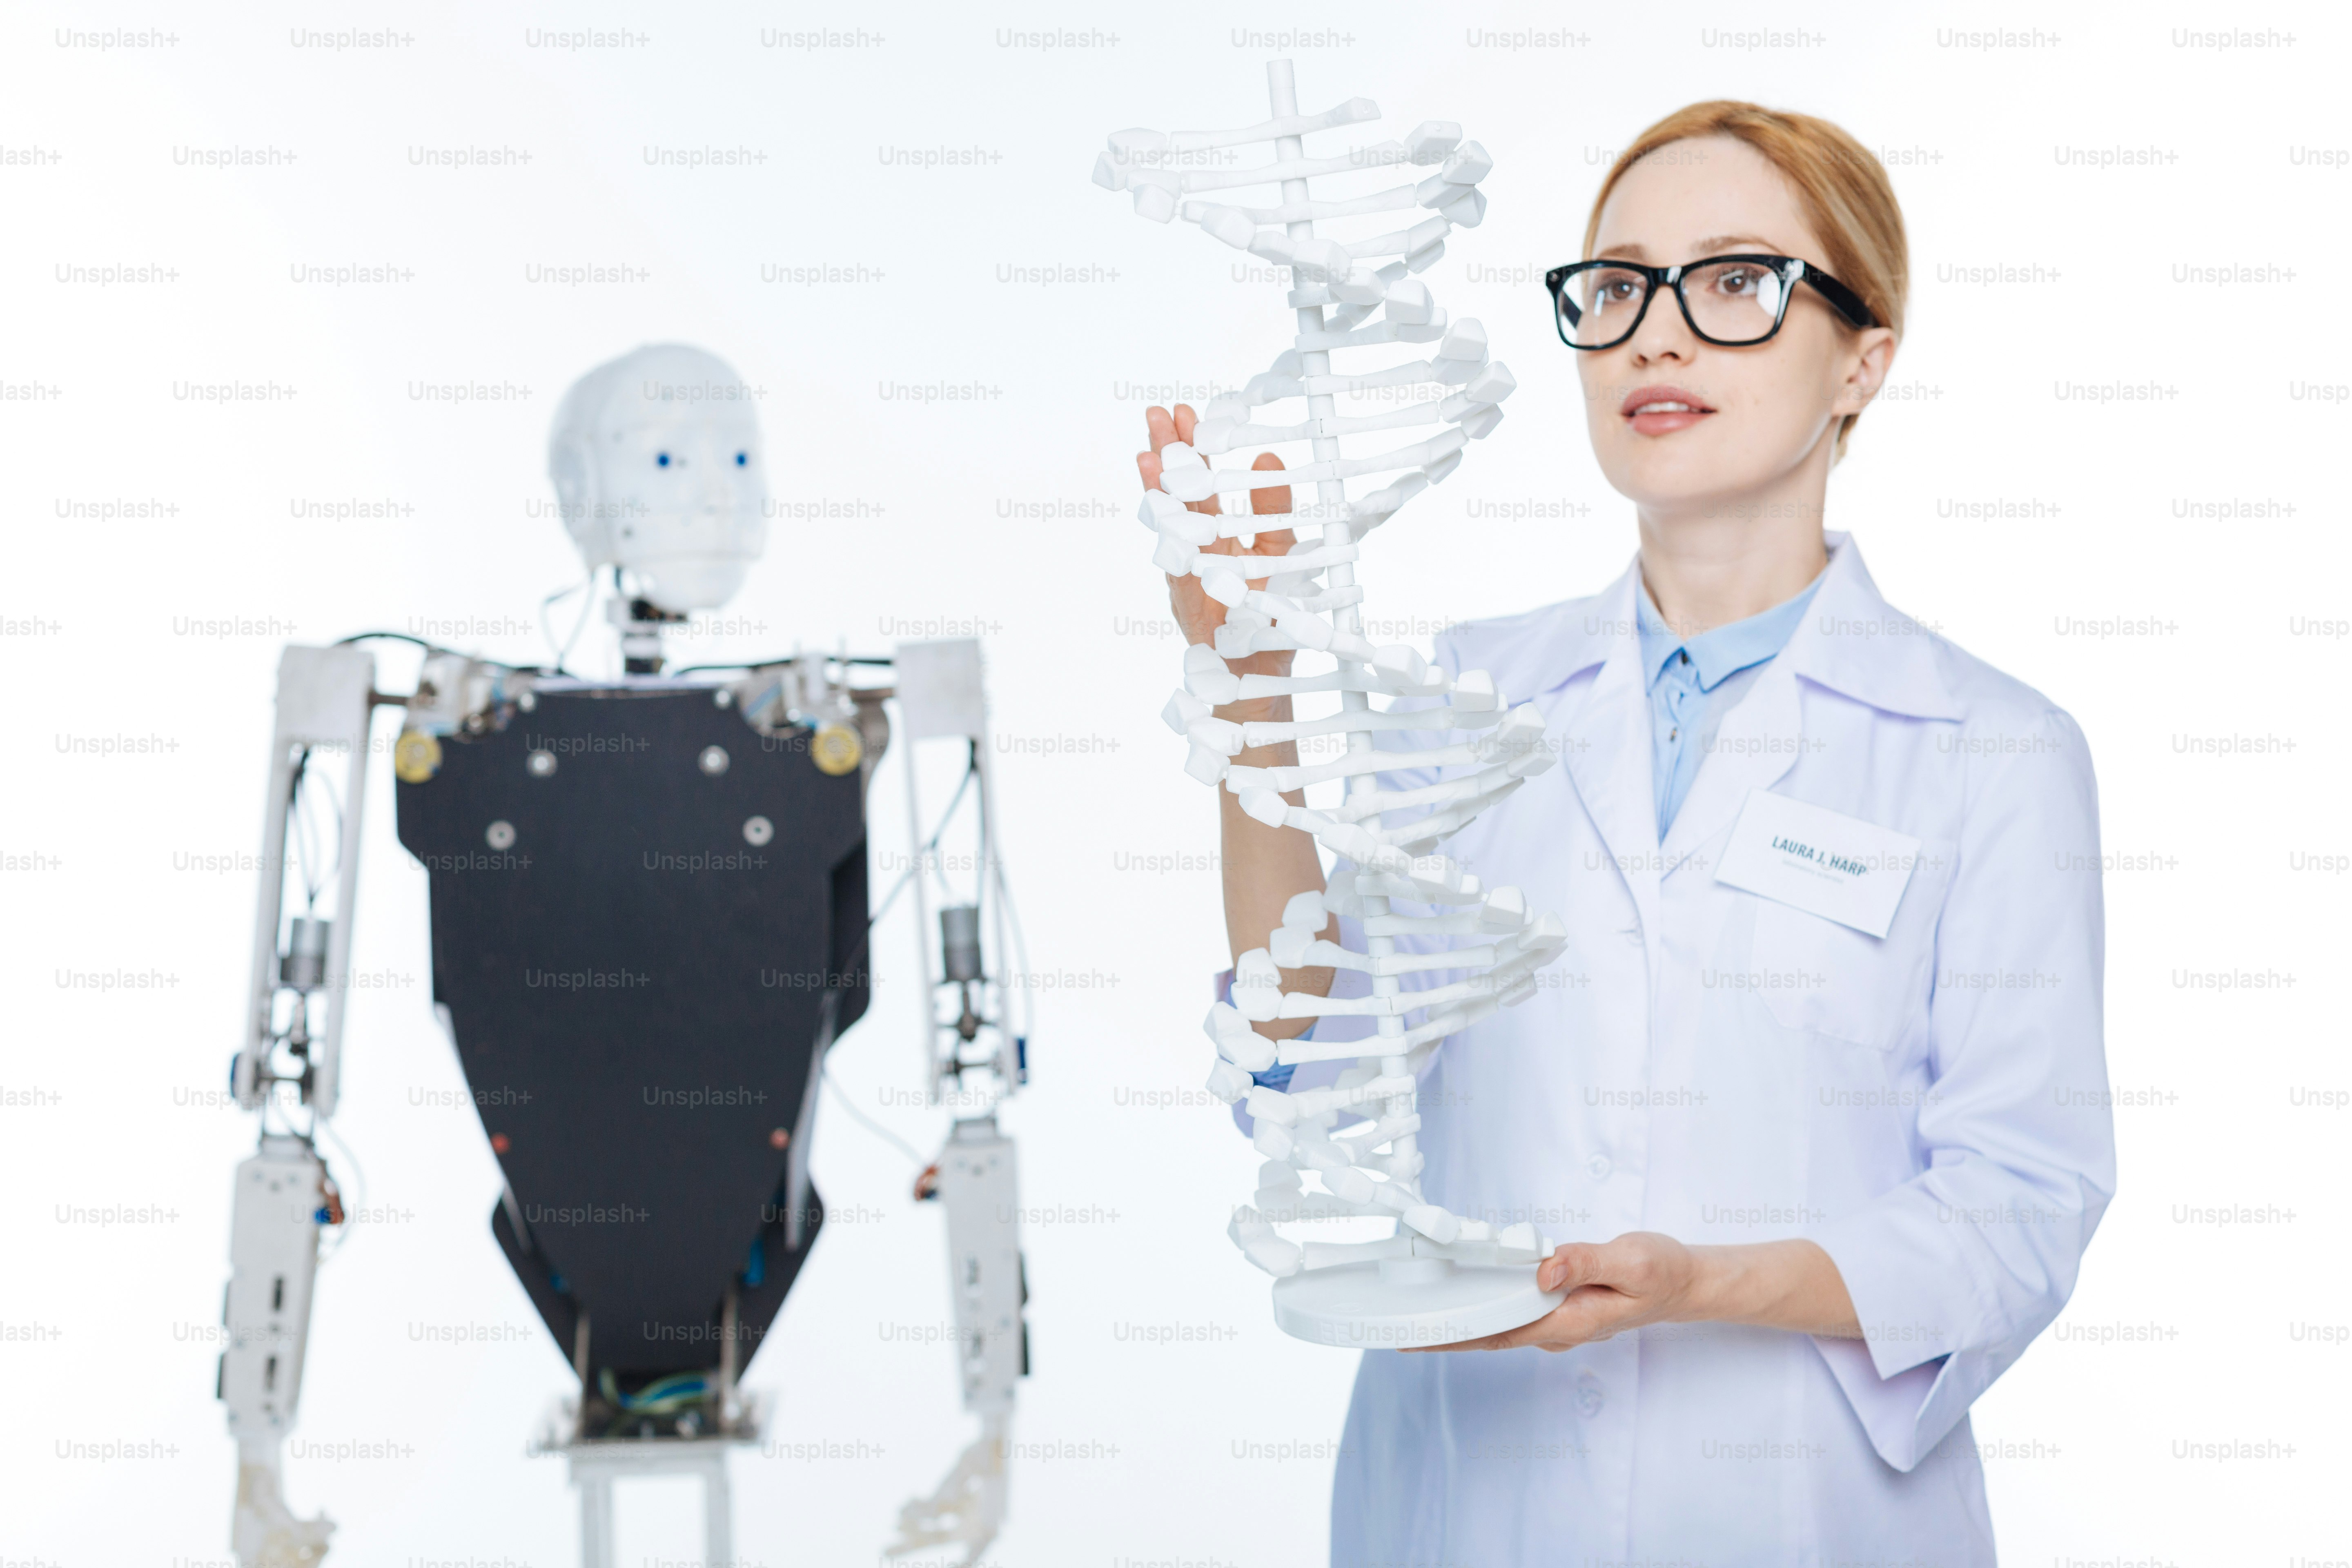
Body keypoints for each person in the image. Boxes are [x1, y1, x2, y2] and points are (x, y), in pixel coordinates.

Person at [1136, 100, 2113, 1566]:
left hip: (1799, 1516)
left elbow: (2021, 1209)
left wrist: (1700, 1285)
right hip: (1467, 1508)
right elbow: (1315, 1078)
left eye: (1734, 283)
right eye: (1617, 289)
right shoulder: (1469, 696)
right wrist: (1248, 680)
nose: (1657, 337)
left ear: (1865, 358)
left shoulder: (1991, 753)